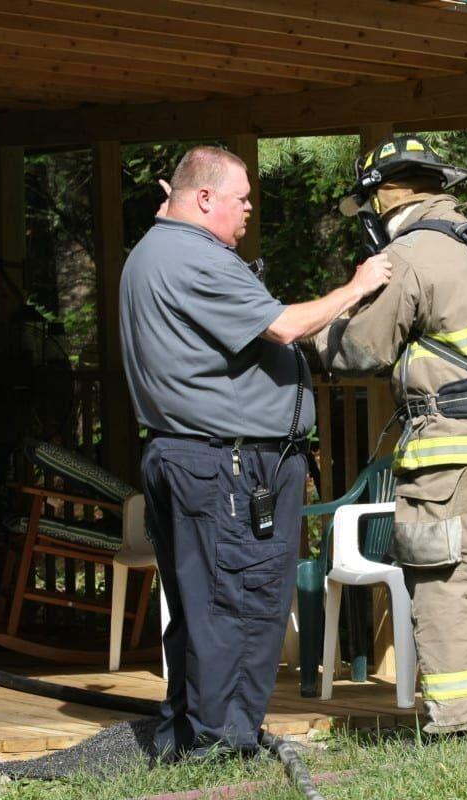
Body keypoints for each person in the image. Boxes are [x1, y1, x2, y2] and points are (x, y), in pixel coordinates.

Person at [119, 145, 391, 760]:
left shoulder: (154, 254)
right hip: (225, 465)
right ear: (204, 197)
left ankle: (191, 733)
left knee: (203, 603)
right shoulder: (192, 257)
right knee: (239, 602)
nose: (248, 209)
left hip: (195, 458)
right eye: (241, 198)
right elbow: (285, 327)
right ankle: (223, 744)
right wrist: (358, 285)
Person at [315, 135, 467, 736]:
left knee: (447, 577)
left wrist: (318, 330)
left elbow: (363, 348)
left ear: (387, 194)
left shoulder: (412, 254)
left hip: (451, 446)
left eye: (368, 206)